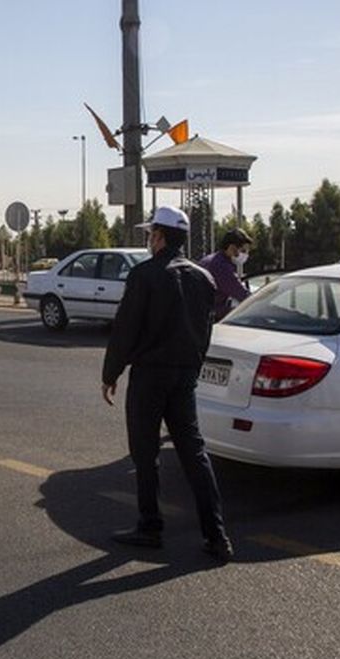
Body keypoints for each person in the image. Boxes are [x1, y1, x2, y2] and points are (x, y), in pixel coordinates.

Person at [101, 206, 233, 561]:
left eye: (150, 234)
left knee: (145, 452)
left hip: (150, 376)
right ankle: (216, 535)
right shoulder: (204, 279)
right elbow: (206, 331)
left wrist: (110, 374)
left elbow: (126, 329)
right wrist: (191, 365)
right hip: (184, 375)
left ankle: (149, 526)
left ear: (159, 236)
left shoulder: (145, 275)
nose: (149, 240)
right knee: (194, 452)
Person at [199, 228, 253, 321]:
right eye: (243, 251)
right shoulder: (222, 267)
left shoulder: (210, 260)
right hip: (213, 318)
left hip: (201, 314)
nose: (245, 255)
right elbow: (243, 296)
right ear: (232, 248)